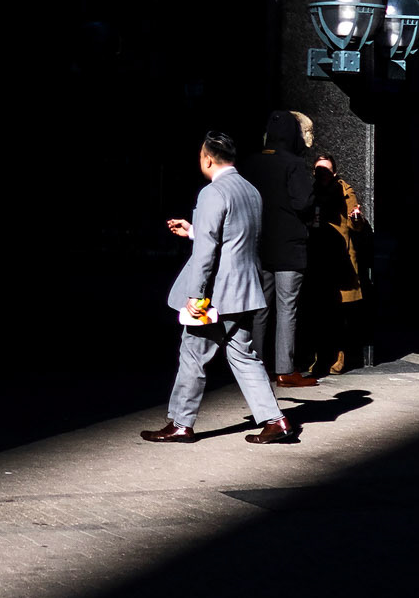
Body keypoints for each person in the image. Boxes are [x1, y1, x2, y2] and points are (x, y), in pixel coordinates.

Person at [141, 131, 295, 446]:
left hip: (216, 294)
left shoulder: (213, 193)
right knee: (243, 354)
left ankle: (181, 424)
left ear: (208, 159)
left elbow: (207, 252)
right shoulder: (250, 190)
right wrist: (195, 230)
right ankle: (275, 420)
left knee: (192, 354)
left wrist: (195, 296)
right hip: (244, 288)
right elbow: (234, 237)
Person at [243, 110, 319, 388]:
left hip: (258, 245)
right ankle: (285, 370)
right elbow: (303, 203)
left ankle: (255, 366)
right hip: (289, 247)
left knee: (259, 309)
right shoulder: (294, 163)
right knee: (287, 308)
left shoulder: (251, 162)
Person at [304, 152, 367, 375]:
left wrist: (357, 217)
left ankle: (340, 356)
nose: (322, 174)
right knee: (318, 311)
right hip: (316, 256)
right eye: (318, 170)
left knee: (339, 312)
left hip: (339, 258)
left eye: (326, 171)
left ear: (334, 173)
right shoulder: (308, 190)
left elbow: (356, 223)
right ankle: (319, 357)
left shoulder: (344, 190)